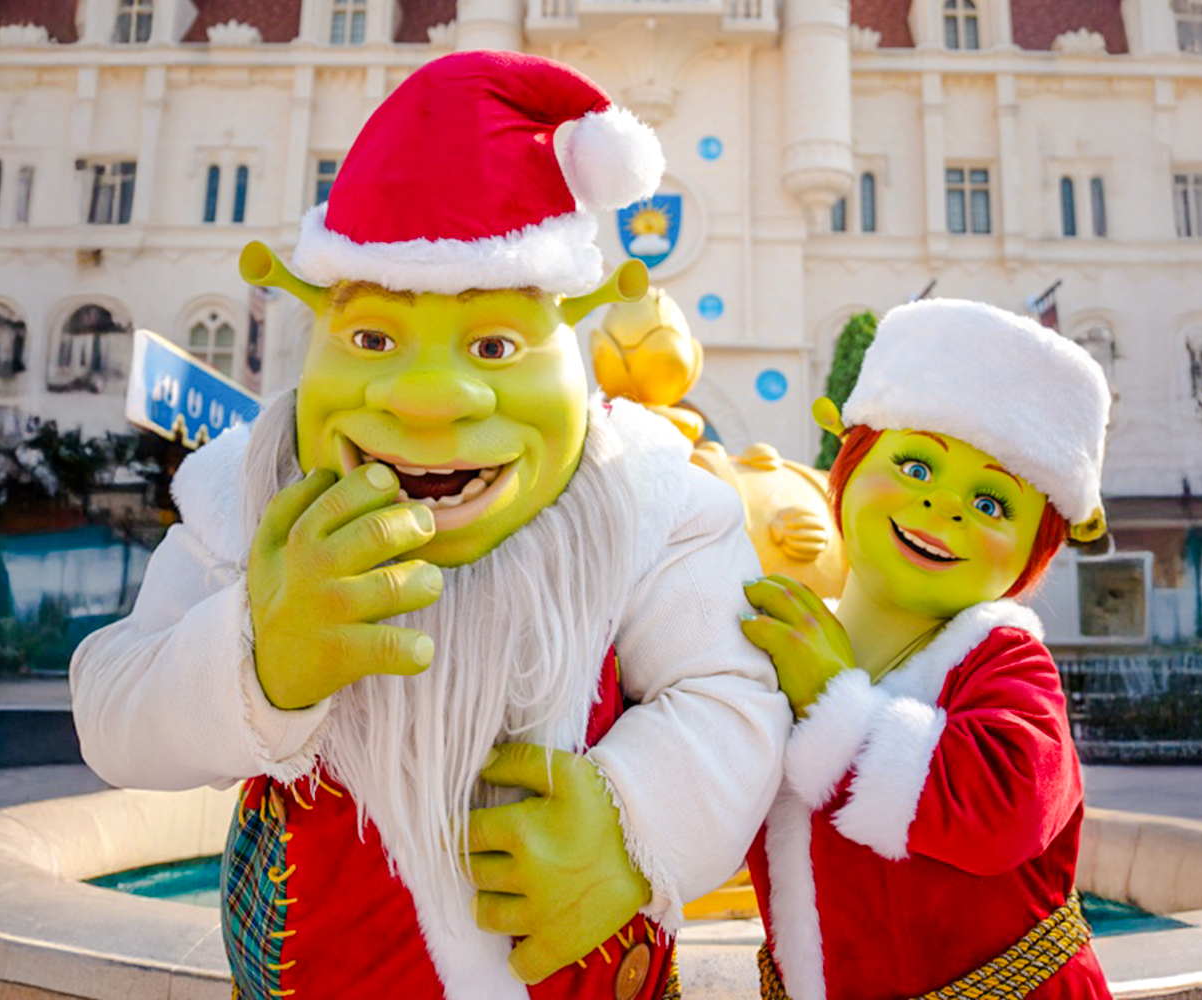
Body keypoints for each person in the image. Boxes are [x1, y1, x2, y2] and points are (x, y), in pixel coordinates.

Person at [71, 50, 789, 1000]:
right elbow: (112, 709)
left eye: (495, 345)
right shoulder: (243, 499)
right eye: (371, 340)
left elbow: (731, 698)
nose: (430, 398)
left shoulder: (655, 501)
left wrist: (633, 824)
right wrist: (257, 659)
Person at [740, 298, 1115, 1000]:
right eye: (915, 468)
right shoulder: (779, 639)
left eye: (992, 504)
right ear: (849, 461)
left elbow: (1005, 808)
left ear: (1038, 546)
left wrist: (830, 698)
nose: (945, 510)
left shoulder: (1004, 661)